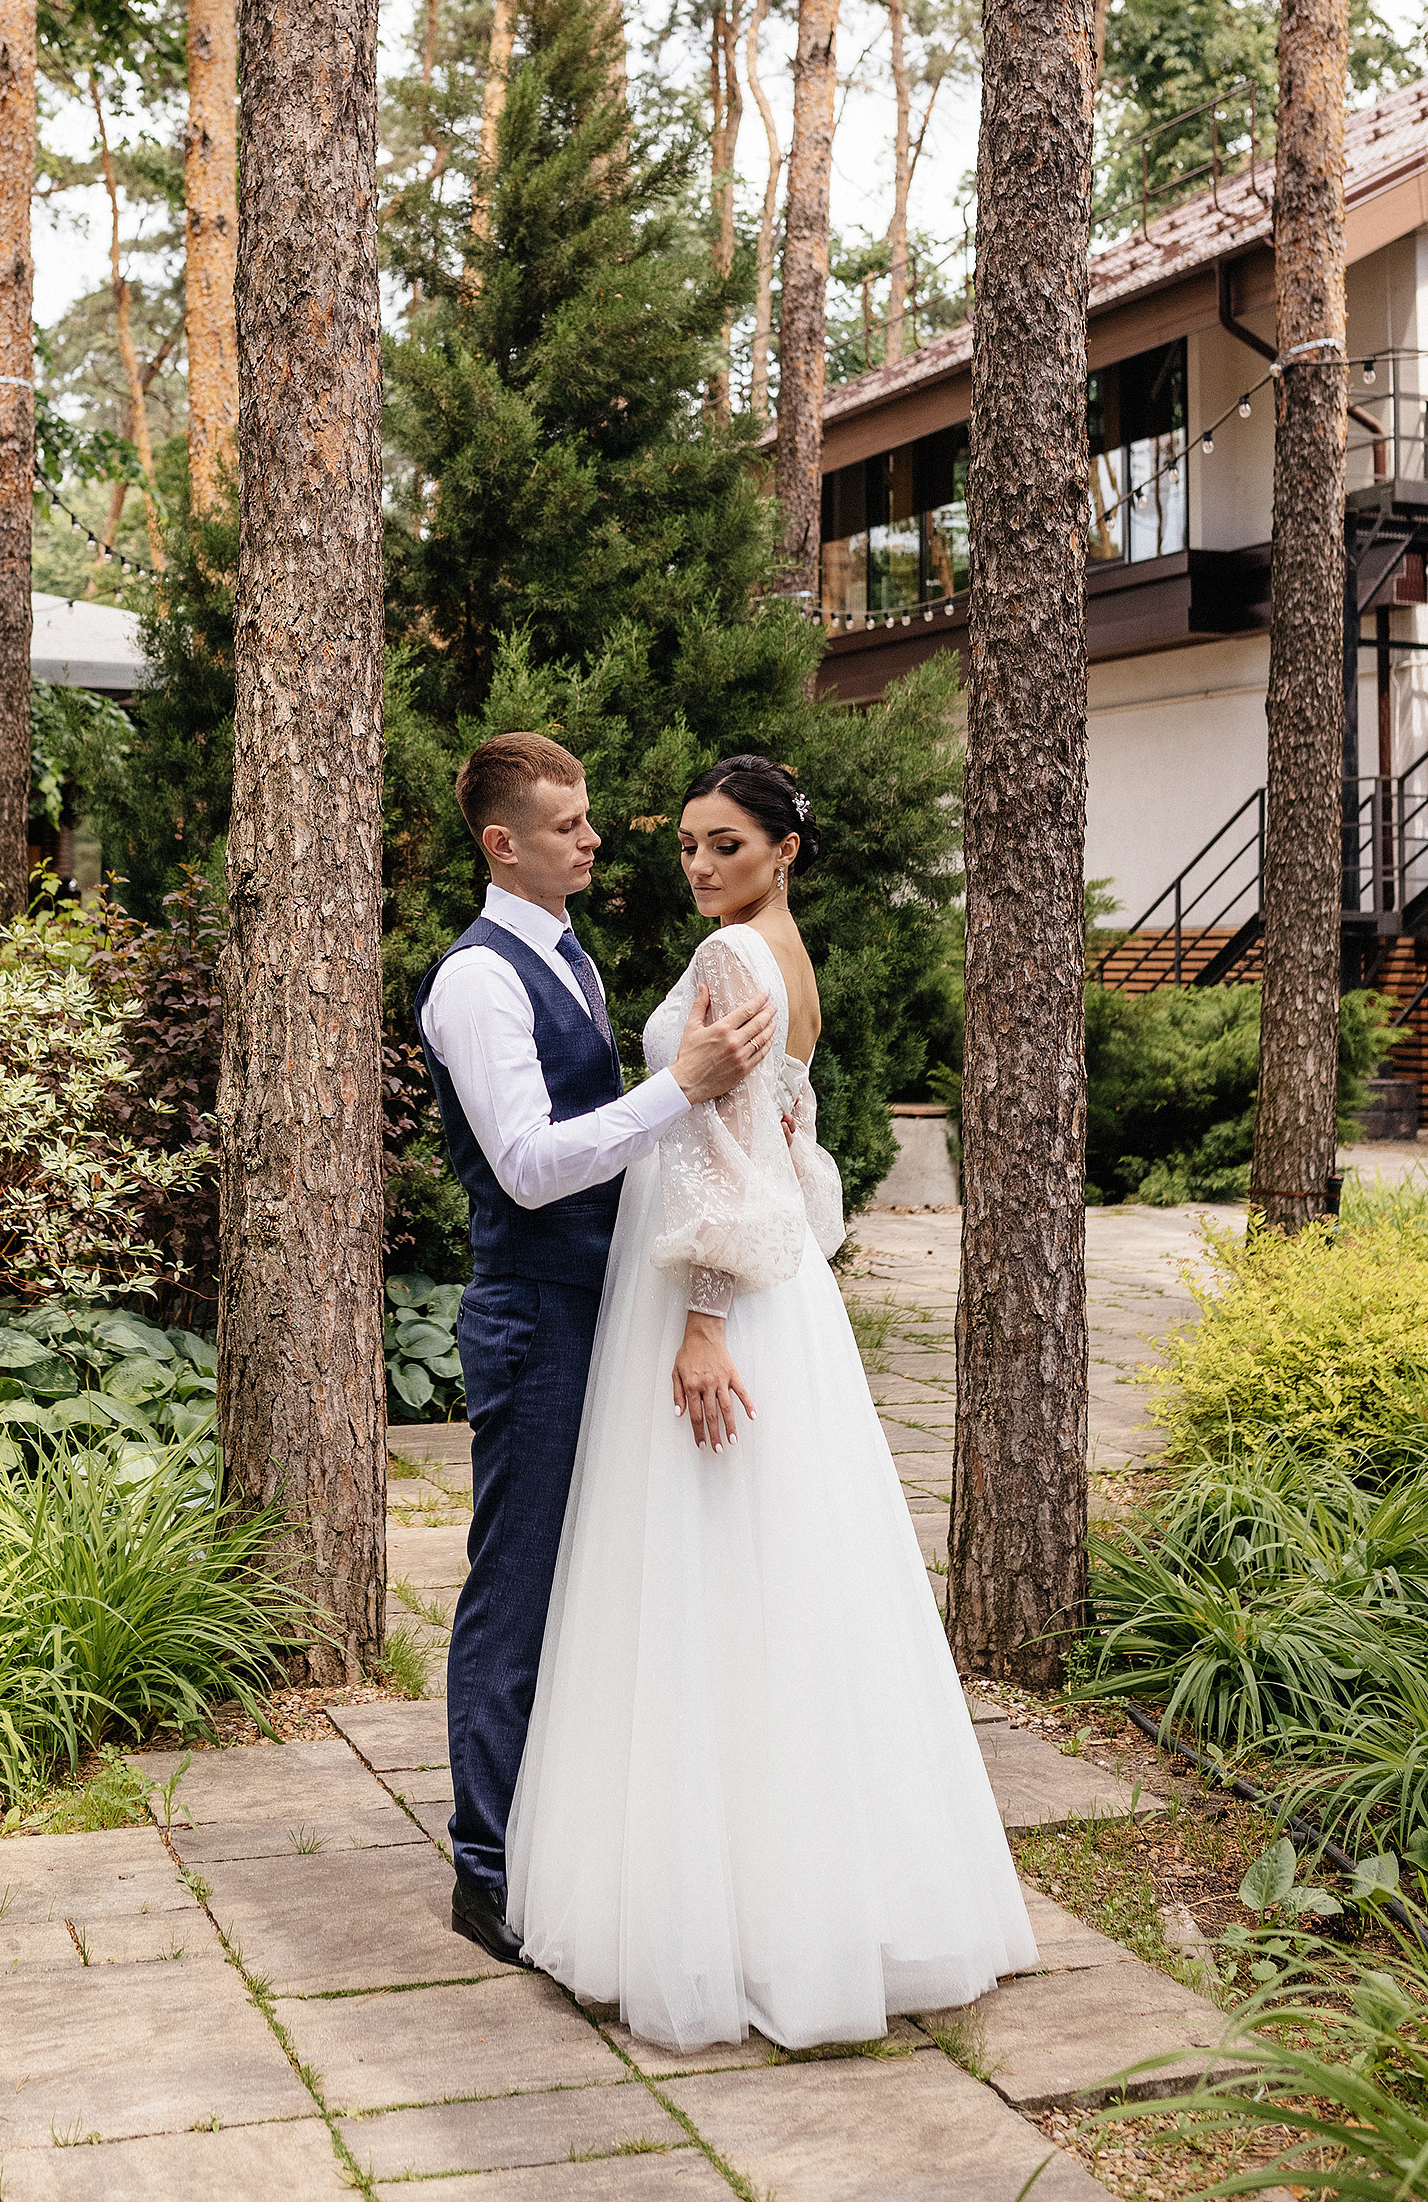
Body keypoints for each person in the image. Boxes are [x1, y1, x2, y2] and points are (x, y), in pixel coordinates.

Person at [506, 752, 1037, 2052]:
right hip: (770, 1294)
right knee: (785, 1585)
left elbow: (735, 1158)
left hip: (717, 1302)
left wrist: (699, 1325)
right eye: (688, 843)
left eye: (726, 844)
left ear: (784, 849)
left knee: (704, 1579)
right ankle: (788, 1886)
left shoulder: (741, 965)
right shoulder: (786, 961)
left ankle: (718, 1912)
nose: (700, 866)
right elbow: (791, 1151)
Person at [414, 732, 781, 1970]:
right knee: (516, 1585)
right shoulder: (475, 981)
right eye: (567, 823)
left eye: (587, 816)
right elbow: (524, 1165)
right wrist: (676, 1085)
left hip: (601, 1302)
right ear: (500, 843)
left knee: (590, 1579)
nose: (592, 837)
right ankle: (484, 1870)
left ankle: (563, 1843)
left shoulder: (564, 957)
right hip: (533, 1313)